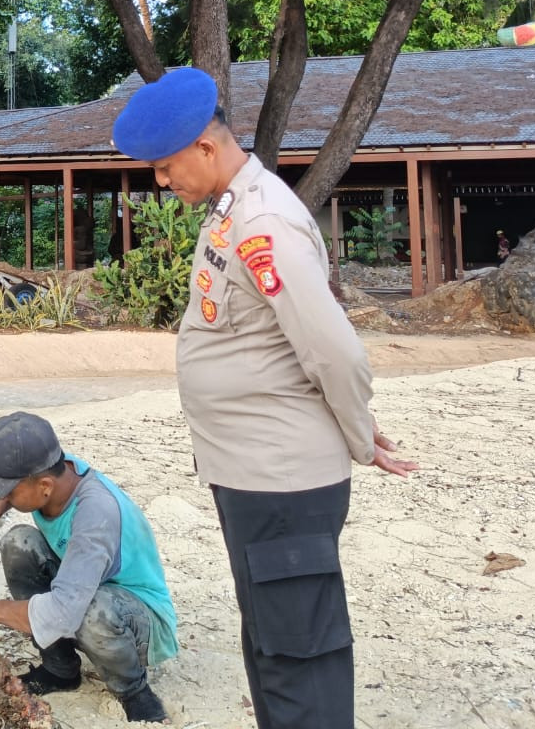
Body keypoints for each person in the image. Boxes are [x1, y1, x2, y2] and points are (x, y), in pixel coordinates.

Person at [109, 67, 418, 729]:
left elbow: (334, 350)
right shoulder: (231, 209)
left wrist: (359, 436)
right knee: (274, 646)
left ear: (205, 148)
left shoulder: (264, 221)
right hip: (252, 476)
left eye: (165, 168)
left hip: (282, 483)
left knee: (298, 654)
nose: (161, 182)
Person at [0, 412, 178, 724]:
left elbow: (63, 613)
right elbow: (24, 487)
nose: (2, 496)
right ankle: (60, 670)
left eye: (6, 490)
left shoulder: (95, 515)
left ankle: (135, 692)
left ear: (44, 486)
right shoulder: (57, 471)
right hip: (92, 583)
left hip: (142, 617)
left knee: (90, 610)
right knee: (18, 543)